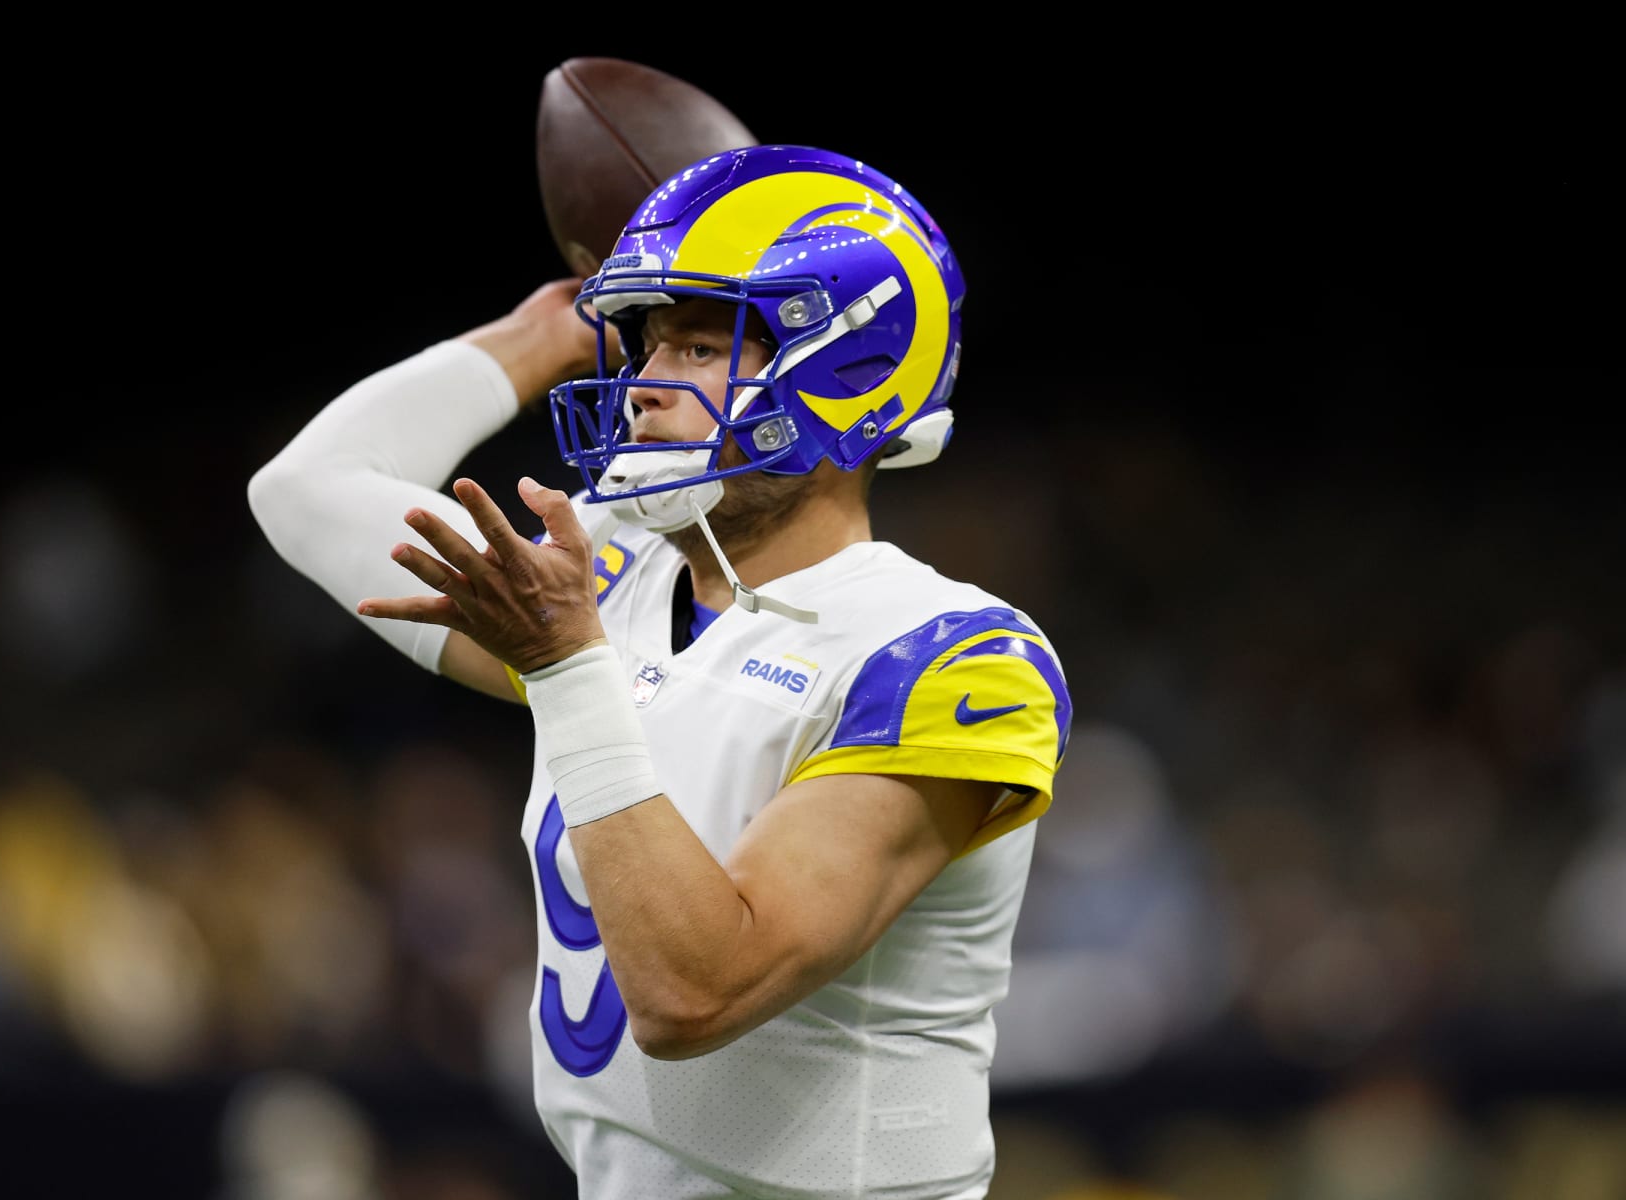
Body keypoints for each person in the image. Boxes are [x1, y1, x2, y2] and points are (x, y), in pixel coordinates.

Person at [248, 143, 1072, 1199]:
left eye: (696, 348)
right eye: (642, 348)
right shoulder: (615, 584)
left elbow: (694, 992)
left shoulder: (951, 655)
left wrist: (567, 667)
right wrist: (542, 331)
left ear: (848, 368)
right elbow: (307, 490)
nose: (641, 387)